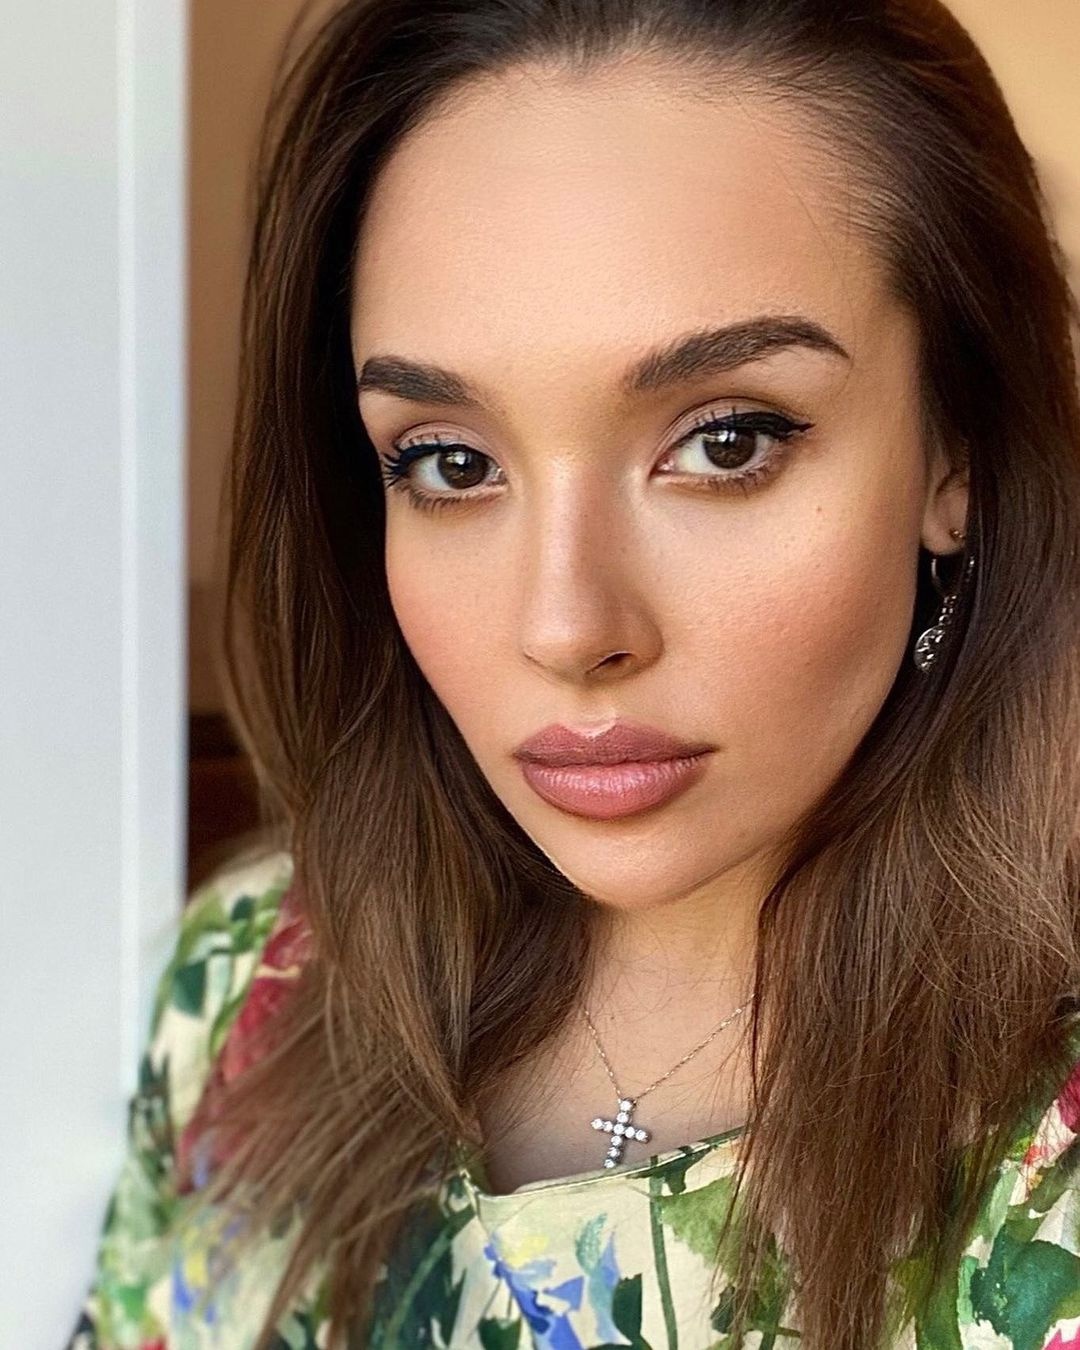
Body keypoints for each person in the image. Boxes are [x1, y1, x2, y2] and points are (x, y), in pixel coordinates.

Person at [67, 0, 1080, 1347]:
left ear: (956, 452)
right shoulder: (251, 982)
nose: (564, 625)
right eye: (451, 461)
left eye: (725, 442)